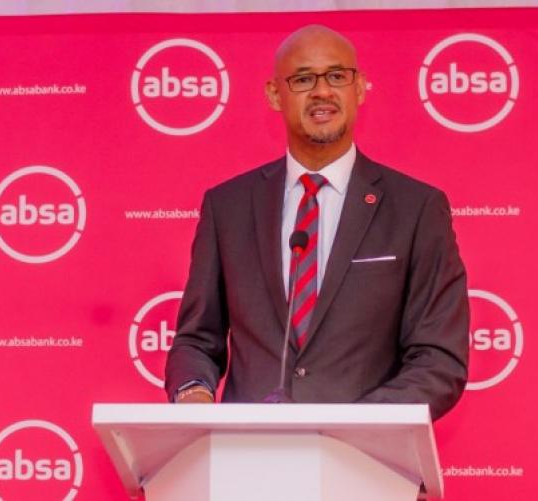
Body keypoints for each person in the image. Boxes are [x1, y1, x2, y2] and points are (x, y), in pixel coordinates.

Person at [164, 24, 469, 420]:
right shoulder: (228, 207)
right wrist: (193, 393)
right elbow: (196, 340)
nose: (322, 91)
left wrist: (352, 425)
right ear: (275, 95)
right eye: (303, 79)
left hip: (365, 453)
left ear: (359, 88)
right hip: (249, 448)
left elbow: (439, 359)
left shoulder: (417, 208)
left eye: (337, 76)